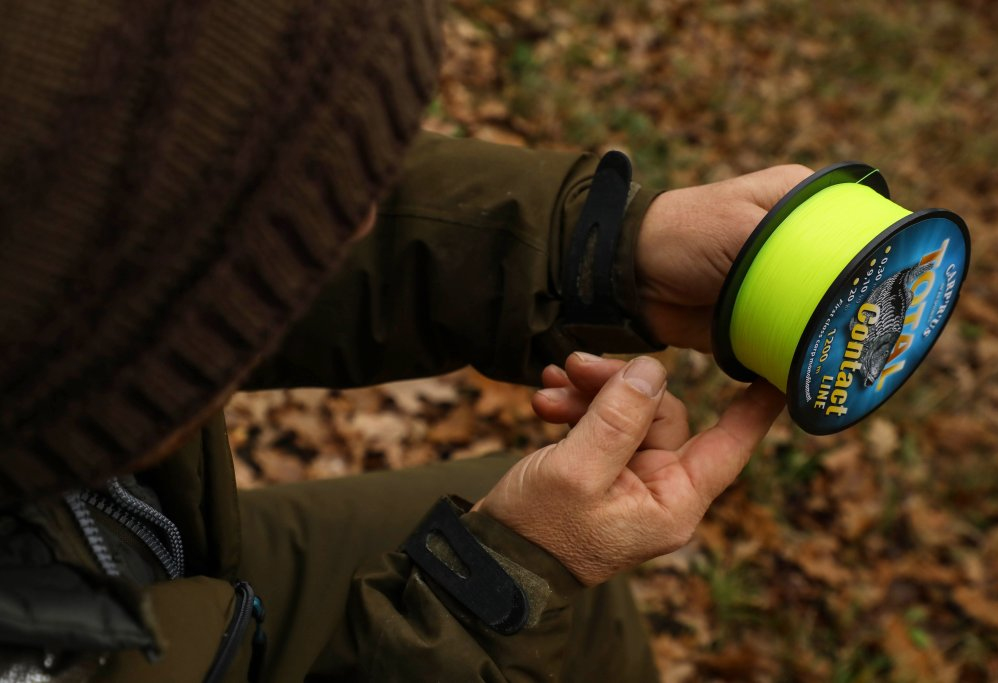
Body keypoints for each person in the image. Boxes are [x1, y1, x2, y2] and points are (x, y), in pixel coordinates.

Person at [0, 0, 810, 680]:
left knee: (572, 579)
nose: (351, 224)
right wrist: (493, 589)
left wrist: (601, 253)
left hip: (154, 572)